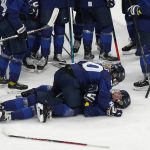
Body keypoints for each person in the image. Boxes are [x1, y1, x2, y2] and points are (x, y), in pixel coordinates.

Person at [0, 61, 130, 122]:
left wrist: (90, 101)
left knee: (44, 95)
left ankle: (5, 106)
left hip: (63, 74)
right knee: (71, 107)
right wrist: (109, 109)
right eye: (119, 91)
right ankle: (48, 109)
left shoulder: (101, 69)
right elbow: (101, 99)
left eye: (120, 95)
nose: (117, 91)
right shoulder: (105, 80)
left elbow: (89, 108)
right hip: (71, 82)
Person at [127, 0, 150, 89]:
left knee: (145, 51)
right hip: (143, 25)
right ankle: (147, 76)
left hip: (146, 26)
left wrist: (139, 9)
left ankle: (147, 77)